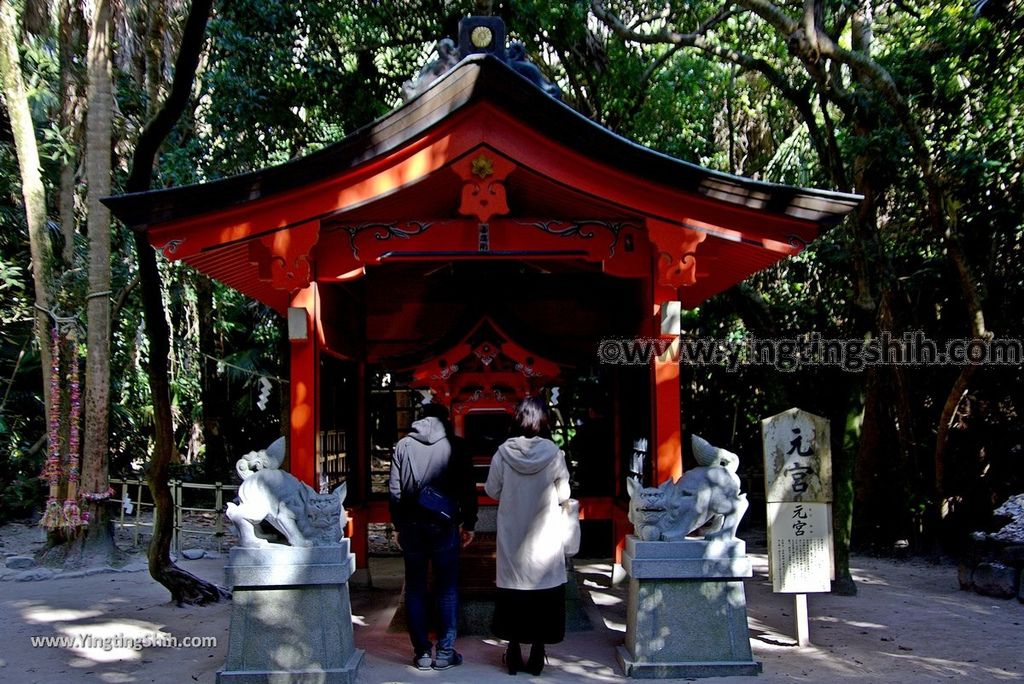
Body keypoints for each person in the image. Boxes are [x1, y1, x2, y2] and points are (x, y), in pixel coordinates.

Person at [485, 396, 571, 676]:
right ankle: (536, 653)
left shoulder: (502, 453)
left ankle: (512, 651)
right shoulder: (554, 454)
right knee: (544, 596)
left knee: (513, 593)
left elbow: (492, 490)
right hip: (544, 536)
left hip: (513, 535)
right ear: (544, 420)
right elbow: (564, 494)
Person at [389, 403, 478, 671]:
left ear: (419, 419)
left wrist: (397, 526)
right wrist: (469, 523)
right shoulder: (457, 446)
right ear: (445, 420)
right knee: (447, 589)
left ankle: (422, 653)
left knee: (415, 588)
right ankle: (446, 651)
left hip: (412, 527)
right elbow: (468, 489)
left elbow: (394, 490)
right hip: (445, 525)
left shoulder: (404, 446)